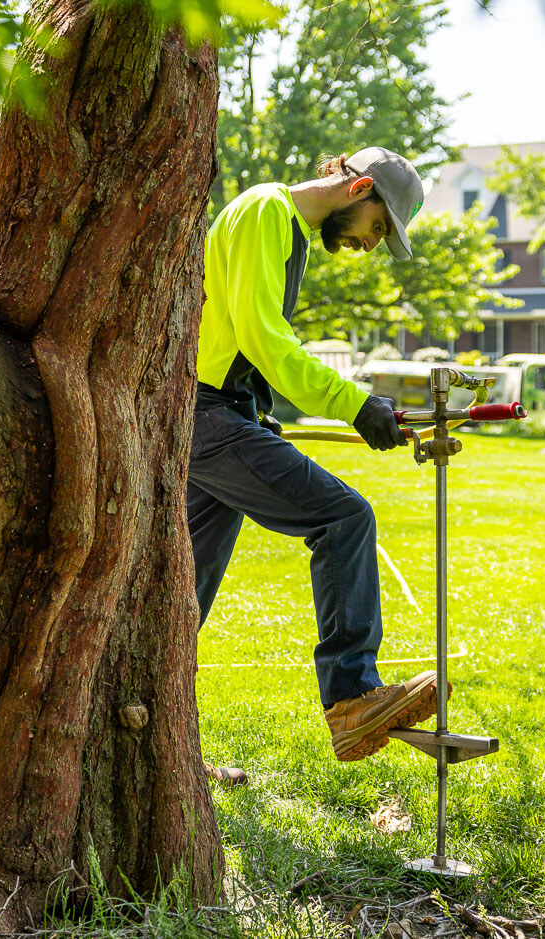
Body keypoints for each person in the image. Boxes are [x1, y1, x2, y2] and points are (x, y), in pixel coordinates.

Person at [191, 147, 447, 767]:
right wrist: (354, 403)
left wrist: (263, 417)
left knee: (182, 595)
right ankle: (353, 700)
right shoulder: (265, 211)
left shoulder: (288, 232)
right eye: (378, 227)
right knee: (344, 518)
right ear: (358, 187)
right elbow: (260, 335)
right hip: (202, 415)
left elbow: (235, 342)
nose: (369, 245)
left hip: (220, 412)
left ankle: (148, 736)